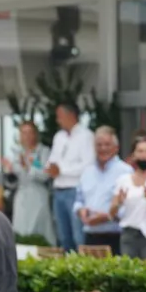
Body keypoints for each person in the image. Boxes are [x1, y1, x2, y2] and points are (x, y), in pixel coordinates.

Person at [72, 127, 134, 256]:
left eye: (107, 144)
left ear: (116, 148)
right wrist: (81, 211)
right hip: (90, 235)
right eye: (99, 145)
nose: (103, 148)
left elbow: (130, 207)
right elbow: (78, 200)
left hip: (115, 236)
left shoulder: (125, 172)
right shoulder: (87, 172)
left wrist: (107, 217)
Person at [46, 103, 96, 252]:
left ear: (71, 115)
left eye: (60, 116)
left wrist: (62, 170)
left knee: (78, 235)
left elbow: (88, 165)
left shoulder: (86, 136)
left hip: (75, 190)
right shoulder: (59, 137)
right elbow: (52, 159)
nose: (58, 120)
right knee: (63, 236)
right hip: (59, 190)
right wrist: (51, 168)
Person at [2, 120, 56, 245]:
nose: (26, 136)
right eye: (23, 133)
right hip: (21, 195)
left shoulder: (43, 151)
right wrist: (10, 172)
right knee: (21, 228)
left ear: (35, 134)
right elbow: (12, 184)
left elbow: (45, 174)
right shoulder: (15, 152)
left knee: (40, 228)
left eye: (29, 132)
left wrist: (29, 166)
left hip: (38, 194)